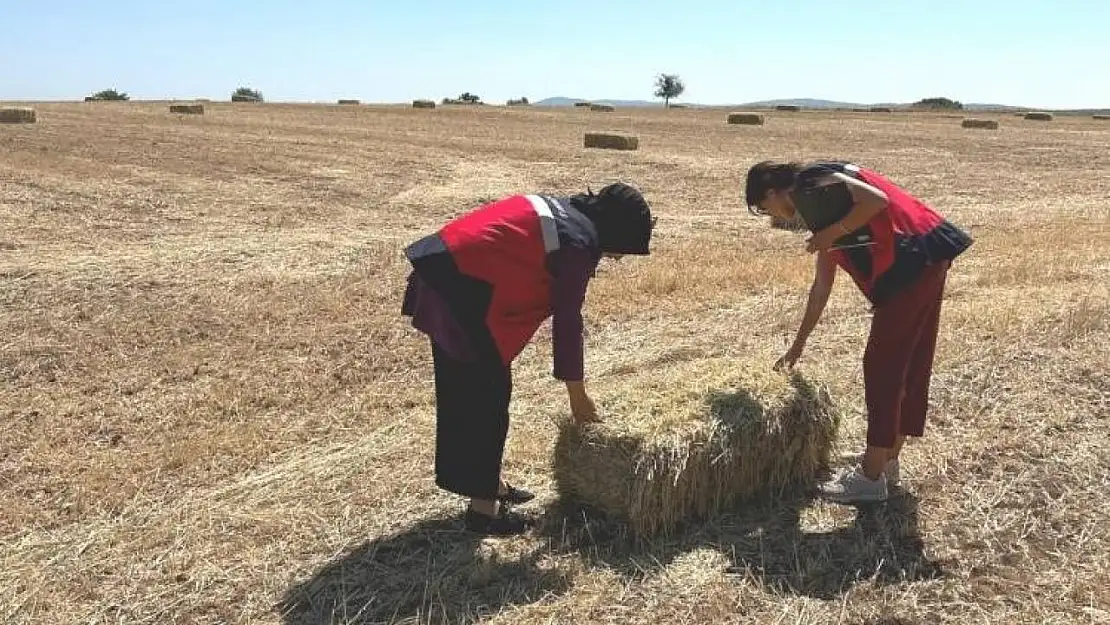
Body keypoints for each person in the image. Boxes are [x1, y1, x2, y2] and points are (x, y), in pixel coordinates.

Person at [401, 183, 655, 534]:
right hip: (460, 291)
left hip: (444, 276)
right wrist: (577, 397)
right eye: (623, 249)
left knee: (466, 394)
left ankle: (487, 485)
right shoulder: (577, 243)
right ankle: (483, 512)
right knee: (487, 398)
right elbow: (568, 322)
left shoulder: (565, 213)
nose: (618, 257)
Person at [744, 160, 973, 504]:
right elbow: (821, 288)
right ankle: (887, 459)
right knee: (910, 361)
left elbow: (876, 199)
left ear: (773, 192)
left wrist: (832, 233)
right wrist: (798, 346)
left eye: (765, 208)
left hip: (911, 261)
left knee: (883, 367)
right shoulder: (823, 212)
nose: (774, 217)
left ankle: (870, 478)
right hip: (927, 254)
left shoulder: (812, 182)